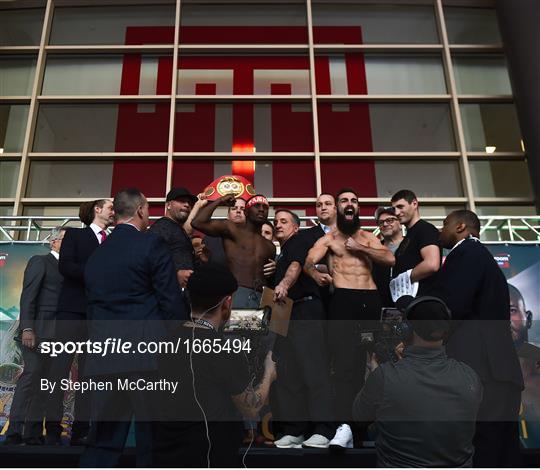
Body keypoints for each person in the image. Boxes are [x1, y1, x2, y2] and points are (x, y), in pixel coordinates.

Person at [80, 188, 184, 467]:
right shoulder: (151, 245)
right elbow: (170, 300)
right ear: (140, 210)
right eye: (148, 208)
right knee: (152, 440)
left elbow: (91, 309)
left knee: (102, 440)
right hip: (146, 356)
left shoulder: (97, 256)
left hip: (104, 356)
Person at [153, 263, 277, 467]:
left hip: (168, 453)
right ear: (228, 303)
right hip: (209, 455)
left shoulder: (167, 341)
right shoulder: (222, 349)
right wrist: (268, 375)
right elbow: (250, 408)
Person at [432, 209, 524, 467]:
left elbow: (453, 304)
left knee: (482, 449)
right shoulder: (481, 257)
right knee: (503, 451)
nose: (441, 230)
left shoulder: (466, 253)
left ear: (461, 227)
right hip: (498, 370)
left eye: (445, 225)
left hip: (482, 370)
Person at [304, 188, 394, 449]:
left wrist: (361, 248)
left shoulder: (368, 237)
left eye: (354, 200)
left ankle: (368, 429)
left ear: (357, 207)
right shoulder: (330, 239)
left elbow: (389, 258)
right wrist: (315, 275)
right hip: (343, 302)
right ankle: (345, 427)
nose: (349, 204)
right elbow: (308, 261)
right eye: (344, 200)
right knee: (344, 366)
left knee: (373, 364)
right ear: (338, 208)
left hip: (370, 301)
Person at [353, 296, 483, 467]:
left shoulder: (385, 376)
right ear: (446, 330)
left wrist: (375, 374)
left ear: (406, 329)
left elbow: (359, 416)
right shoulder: (469, 376)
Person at [45, 199, 114, 446]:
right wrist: (98, 274)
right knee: (59, 371)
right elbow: (66, 266)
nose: (114, 209)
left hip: (98, 316)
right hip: (72, 312)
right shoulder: (74, 235)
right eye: (110, 205)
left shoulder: (114, 240)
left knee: (89, 374)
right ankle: (52, 427)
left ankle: (81, 429)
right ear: (97, 210)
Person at [271, 210, 335, 449]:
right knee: (288, 374)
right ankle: (295, 430)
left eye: (283, 221)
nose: (278, 224)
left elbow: (296, 266)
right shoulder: (282, 253)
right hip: (285, 314)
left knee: (314, 371)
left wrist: (284, 284)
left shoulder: (299, 241)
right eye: (275, 221)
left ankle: (324, 429)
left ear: (296, 228)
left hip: (305, 311)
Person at [4, 228, 65, 446]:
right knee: (30, 378)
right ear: (53, 243)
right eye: (64, 240)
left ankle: (32, 432)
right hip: (37, 332)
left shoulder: (70, 269)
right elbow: (28, 296)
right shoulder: (40, 261)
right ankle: (14, 431)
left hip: (58, 337)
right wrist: (28, 328)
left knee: (44, 383)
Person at [192, 194, 276, 308]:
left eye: (265, 207)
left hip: (262, 297)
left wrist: (274, 268)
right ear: (246, 212)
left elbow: (268, 277)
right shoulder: (232, 230)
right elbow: (197, 222)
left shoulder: (270, 246)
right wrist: (220, 201)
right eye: (257, 206)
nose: (261, 209)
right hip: (237, 292)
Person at [390, 189, 441, 299]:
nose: (396, 213)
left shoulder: (425, 229)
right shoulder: (408, 236)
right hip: (410, 302)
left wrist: (402, 279)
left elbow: (432, 264)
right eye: (394, 208)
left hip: (425, 302)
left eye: (400, 207)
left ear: (414, 204)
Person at [148, 187, 198, 288]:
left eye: (189, 203)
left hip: (179, 294)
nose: (187, 205)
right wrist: (175, 275)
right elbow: (149, 261)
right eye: (182, 201)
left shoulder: (178, 228)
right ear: (168, 205)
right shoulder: (161, 227)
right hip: (166, 295)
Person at [372, 207, 404, 307]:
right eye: (381, 222)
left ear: (400, 222)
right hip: (381, 304)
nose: (385, 224)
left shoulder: (411, 244)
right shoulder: (375, 248)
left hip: (408, 302)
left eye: (390, 220)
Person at [203, 197, 246, 267]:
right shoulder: (210, 238)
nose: (238, 211)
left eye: (243, 209)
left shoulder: (254, 238)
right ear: (228, 215)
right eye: (234, 208)